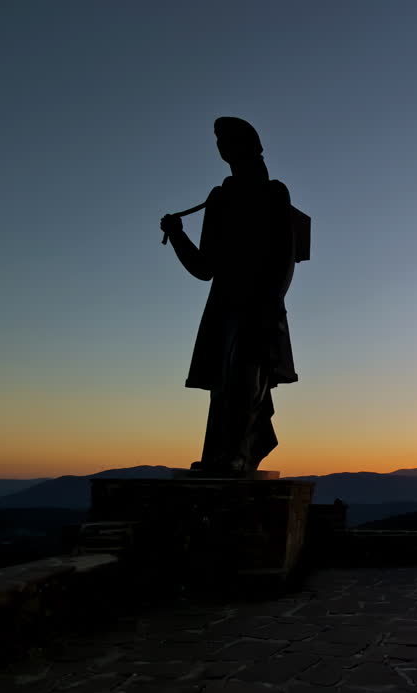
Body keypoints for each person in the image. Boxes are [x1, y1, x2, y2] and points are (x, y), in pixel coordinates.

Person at [159, 117, 297, 474]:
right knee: (224, 385)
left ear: (252, 146)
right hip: (225, 306)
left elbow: (285, 257)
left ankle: (238, 453)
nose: (225, 148)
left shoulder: (274, 194)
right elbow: (205, 267)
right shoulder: (220, 199)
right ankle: (221, 454)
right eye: (221, 143)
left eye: (232, 141)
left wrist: (271, 303)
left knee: (244, 378)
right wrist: (177, 235)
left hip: (260, 302)